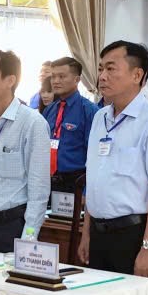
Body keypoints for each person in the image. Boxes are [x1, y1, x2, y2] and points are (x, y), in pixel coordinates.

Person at [80, 41, 148, 276]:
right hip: (98, 233)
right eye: (101, 69)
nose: (102, 76)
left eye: (111, 68)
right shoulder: (100, 117)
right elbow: (94, 178)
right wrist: (86, 233)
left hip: (132, 235)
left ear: (137, 75)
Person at [0, 50, 51, 252]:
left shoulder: (32, 123)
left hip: (14, 226)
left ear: (10, 80)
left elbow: (39, 188)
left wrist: (29, 238)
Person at [44, 56, 98, 194]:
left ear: (77, 79)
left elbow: (95, 155)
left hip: (75, 181)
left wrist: (86, 191)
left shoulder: (89, 111)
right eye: (53, 77)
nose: (56, 81)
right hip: (47, 180)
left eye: (62, 76)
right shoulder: (50, 109)